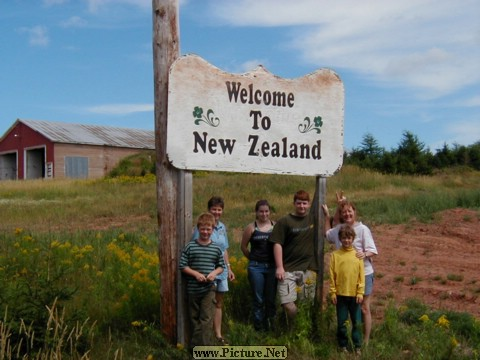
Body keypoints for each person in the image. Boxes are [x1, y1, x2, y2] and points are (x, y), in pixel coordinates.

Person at [322, 195, 378, 344]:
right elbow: (327, 234)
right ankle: (348, 340)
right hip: (345, 278)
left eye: (349, 211)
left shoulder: (363, 229)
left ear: (355, 211)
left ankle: (364, 342)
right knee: (348, 311)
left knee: (363, 308)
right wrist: (328, 216)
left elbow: (373, 250)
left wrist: (365, 254)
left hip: (364, 273)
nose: (347, 214)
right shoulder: (339, 229)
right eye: (344, 212)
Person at [191, 196, 235, 344]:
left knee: (218, 303)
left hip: (221, 271)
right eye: (214, 209)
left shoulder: (222, 227)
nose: (217, 212)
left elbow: (224, 250)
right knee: (207, 304)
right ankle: (204, 337)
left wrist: (229, 268)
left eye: (219, 209)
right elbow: (197, 248)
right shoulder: (202, 228)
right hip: (207, 272)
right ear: (209, 209)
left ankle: (218, 334)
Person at [269, 190, 318, 322]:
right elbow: (277, 243)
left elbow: (331, 228)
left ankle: (299, 332)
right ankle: (297, 324)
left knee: (306, 303)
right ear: (294, 203)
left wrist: (330, 212)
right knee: (287, 304)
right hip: (287, 270)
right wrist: (279, 267)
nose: (302, 206)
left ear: (308, 204)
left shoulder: (313, 219)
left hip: (308, 269)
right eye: (299, 203)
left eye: (304, 203)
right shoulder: (285, 221)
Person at [179, 213, 225, 347]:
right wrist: (195, 274)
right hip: (193, 289)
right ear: (198, 229)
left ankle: (202, 349)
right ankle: (197, 348)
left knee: (206, 319)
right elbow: (182, 266)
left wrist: (213, 273)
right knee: (194, 319)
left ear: (212, 229)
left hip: (208, 288)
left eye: (208, 229)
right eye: (203, 229)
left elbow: (221, 266)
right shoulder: (190, 246)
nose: (205, 232)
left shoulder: (216, 248)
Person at [241, 199, 277, 331]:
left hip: (272, 267)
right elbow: (243, 247)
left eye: (266, 211)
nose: (264, 214)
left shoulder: (275, 226)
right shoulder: (251, 227)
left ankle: (271, 326)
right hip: (256, 267)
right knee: (258, 298)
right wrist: (252, 259)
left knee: (271, 298)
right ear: (256, 212)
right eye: (261, 211)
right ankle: (259, 328)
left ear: (270, 212)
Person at [329, 224, 365, 354]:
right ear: (340, 239)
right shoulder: (335, 255)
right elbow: (332, 275)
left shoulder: (358, 255)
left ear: (353, 238)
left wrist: (360, 292)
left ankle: (357, 345)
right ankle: (342, 345)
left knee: (356, 322)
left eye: (349, 238)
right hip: (340, 295)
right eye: (344, 238)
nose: (346, 241)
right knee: (342, 322)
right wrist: (333, 292)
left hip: (355, 295)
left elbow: (362, 276)